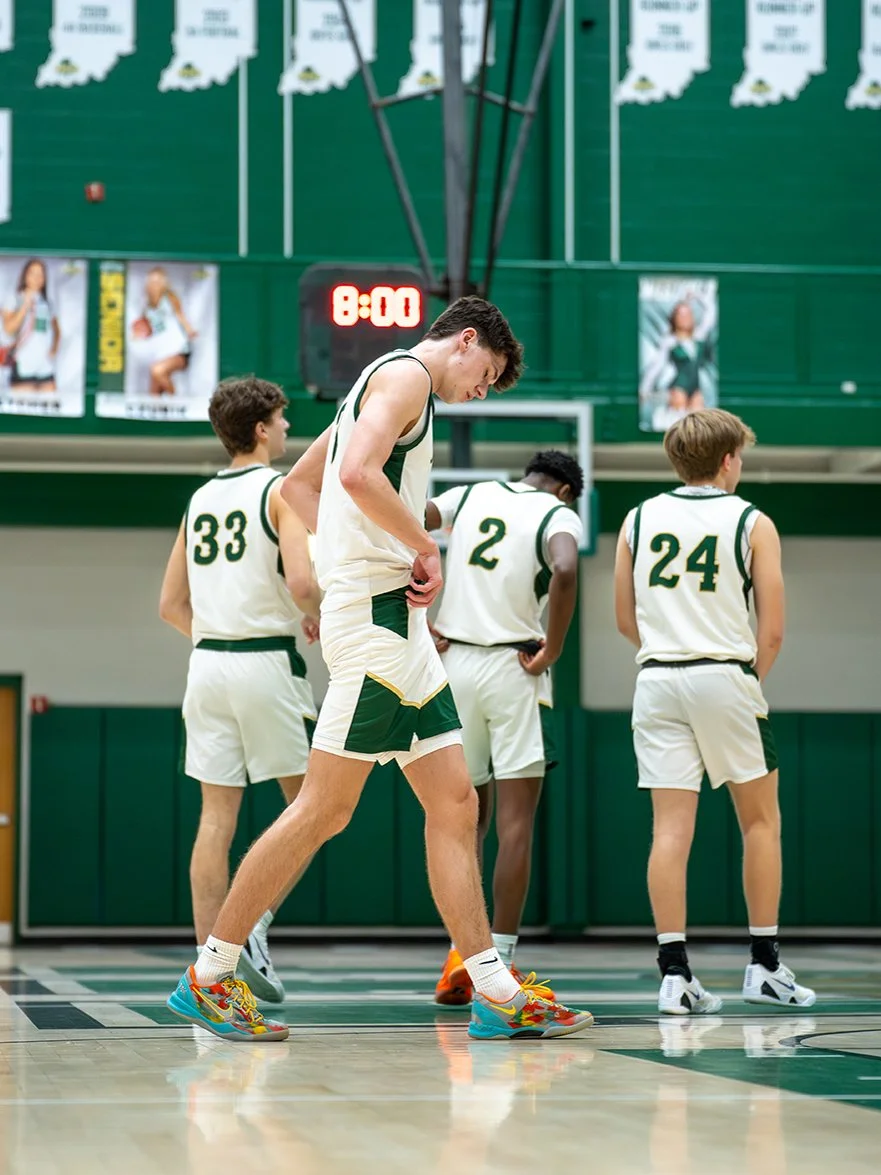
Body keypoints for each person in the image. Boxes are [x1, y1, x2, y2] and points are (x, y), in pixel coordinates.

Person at [166, 295, 595, 1042]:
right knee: (322, 810)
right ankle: (208, 974)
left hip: (398, 627)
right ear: (465, 342)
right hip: (374, 622)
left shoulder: (379, 384)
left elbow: (307, 487)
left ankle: (494, 987)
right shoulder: (404, 378)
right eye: (486, 375)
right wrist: (420, 548)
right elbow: (360, 474)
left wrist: (393, 542)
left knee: (456, 805)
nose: (480, 392)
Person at [613, 408, 816, 1015]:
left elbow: (626, 620)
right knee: (760, 822)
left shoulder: (638, 517)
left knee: (670, 830)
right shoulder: (752, 521)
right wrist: (740, 681)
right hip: (725, 674)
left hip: (656, 679)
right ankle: (765, 965)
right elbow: (772, 632)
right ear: (728, 460)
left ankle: (674, 976)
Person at [159, 375, 321, 1004]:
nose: (286, 429)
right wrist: (323, 615)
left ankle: (211, 979)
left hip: (207, 665)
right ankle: (249, 924)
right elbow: (303, 583)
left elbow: (170, 603)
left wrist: (217, 634)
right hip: (263, 663)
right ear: (260, 428)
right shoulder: (279, 489)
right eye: (281, 420)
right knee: (311, 812)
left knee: (215, 818)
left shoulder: (200, 498)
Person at [425, 450, 585, 1006]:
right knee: (516, 824)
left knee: (463, 820)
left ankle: (459, 956)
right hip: (514, 670)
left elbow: (408, 519)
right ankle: (501, 967)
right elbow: (565, 567)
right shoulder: (557, 514)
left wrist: (416, 607)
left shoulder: (471, 494)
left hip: (454, 664)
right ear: (565, 490)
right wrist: (555, 647)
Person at [639, 289, 716, 431]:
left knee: (699, 426)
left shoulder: (699, 336)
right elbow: (656, 366)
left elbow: (711, 312)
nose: (685, 317)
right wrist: (645, 389)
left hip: (696, 388)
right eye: (681, 314)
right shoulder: (669, 341)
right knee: (680, 426)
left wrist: (697, 296)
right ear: (675, 318)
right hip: (678, 387)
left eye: (688, 314)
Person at [132, 266, 197, 397]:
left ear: (163, 283)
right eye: (151, 282)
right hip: (160, 350)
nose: (154, 285)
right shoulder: (147, 305)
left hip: (178, 348)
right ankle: (155, 413)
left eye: (157, 281)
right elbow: (148, 328)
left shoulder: (170, 298)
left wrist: (189, 330)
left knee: (157, 371)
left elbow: (180, 316)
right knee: (154, 388)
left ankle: (176, 403)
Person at [1, 259, 60, 392]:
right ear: (25, 275)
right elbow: (9, 329)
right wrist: (25, 306)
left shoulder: (47, 303)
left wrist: (53, 350)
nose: (36, 278)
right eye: (32, 273)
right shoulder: (14, 299)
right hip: (23, 365)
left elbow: (56, 329)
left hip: (44, 366)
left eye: (40, 274)